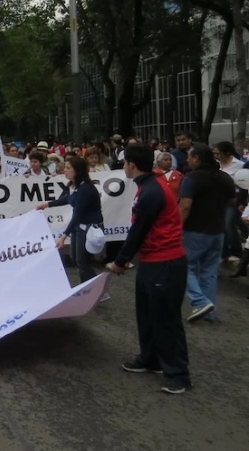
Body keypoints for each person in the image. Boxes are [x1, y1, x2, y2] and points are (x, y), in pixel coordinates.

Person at [106, 143, 191, 394]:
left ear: (132, 164)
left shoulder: (151, 192)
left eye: (124, 163)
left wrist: (120, 260)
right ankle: (151, 359)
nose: (123, 166)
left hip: (165, 263)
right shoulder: (147, 186)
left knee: (166, 319)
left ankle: (178, 374)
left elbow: (138, 230)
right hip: (152, 261)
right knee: (147, 313)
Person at [178, 143, 234, 323]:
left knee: (185, 266)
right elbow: (230, 202)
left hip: (194, 231)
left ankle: (199, 301)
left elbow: (185, 205)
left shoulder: (191, 178)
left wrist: (176, 228)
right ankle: (209, 312)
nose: (187, 160)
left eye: (190, 156)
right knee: (209, 271)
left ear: (197, 159)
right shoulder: (225, 177)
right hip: (217, 231)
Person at [37, 156, 105, 295]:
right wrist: (48, 204)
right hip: (80, 227)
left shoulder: (85, 188)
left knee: (82, 260)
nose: (65, 170)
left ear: (78, 171)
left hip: (89, 227)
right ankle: (89, 287)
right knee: (76, 259)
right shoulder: (73, 186)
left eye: (68, 168)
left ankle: (95, 290)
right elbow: (66, 199)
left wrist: (63, 236)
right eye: (65, 168)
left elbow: (78, 214)